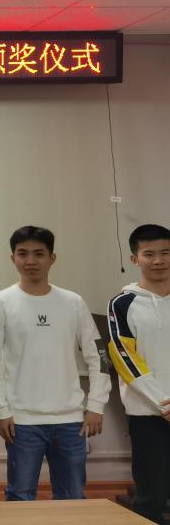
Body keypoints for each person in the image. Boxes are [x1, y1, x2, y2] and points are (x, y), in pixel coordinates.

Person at [0, 225, 111, 501]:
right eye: (23, 254)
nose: (30, 261)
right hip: (21, 421)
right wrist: (1, 410)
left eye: (39, 254)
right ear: (13, 258)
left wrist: (96, 405)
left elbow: (98, 355)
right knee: (20, 496)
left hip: (71, 420)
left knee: (72, 497)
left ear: (52, 258)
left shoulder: (73, 302)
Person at [108, 223, 170, 524]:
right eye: (149, 254)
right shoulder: (122, 303)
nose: (158, 260)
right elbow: (124, 358)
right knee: (150, 496)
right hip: (147, 415)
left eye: (166, 252)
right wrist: (163, 403)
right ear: (135, 259)